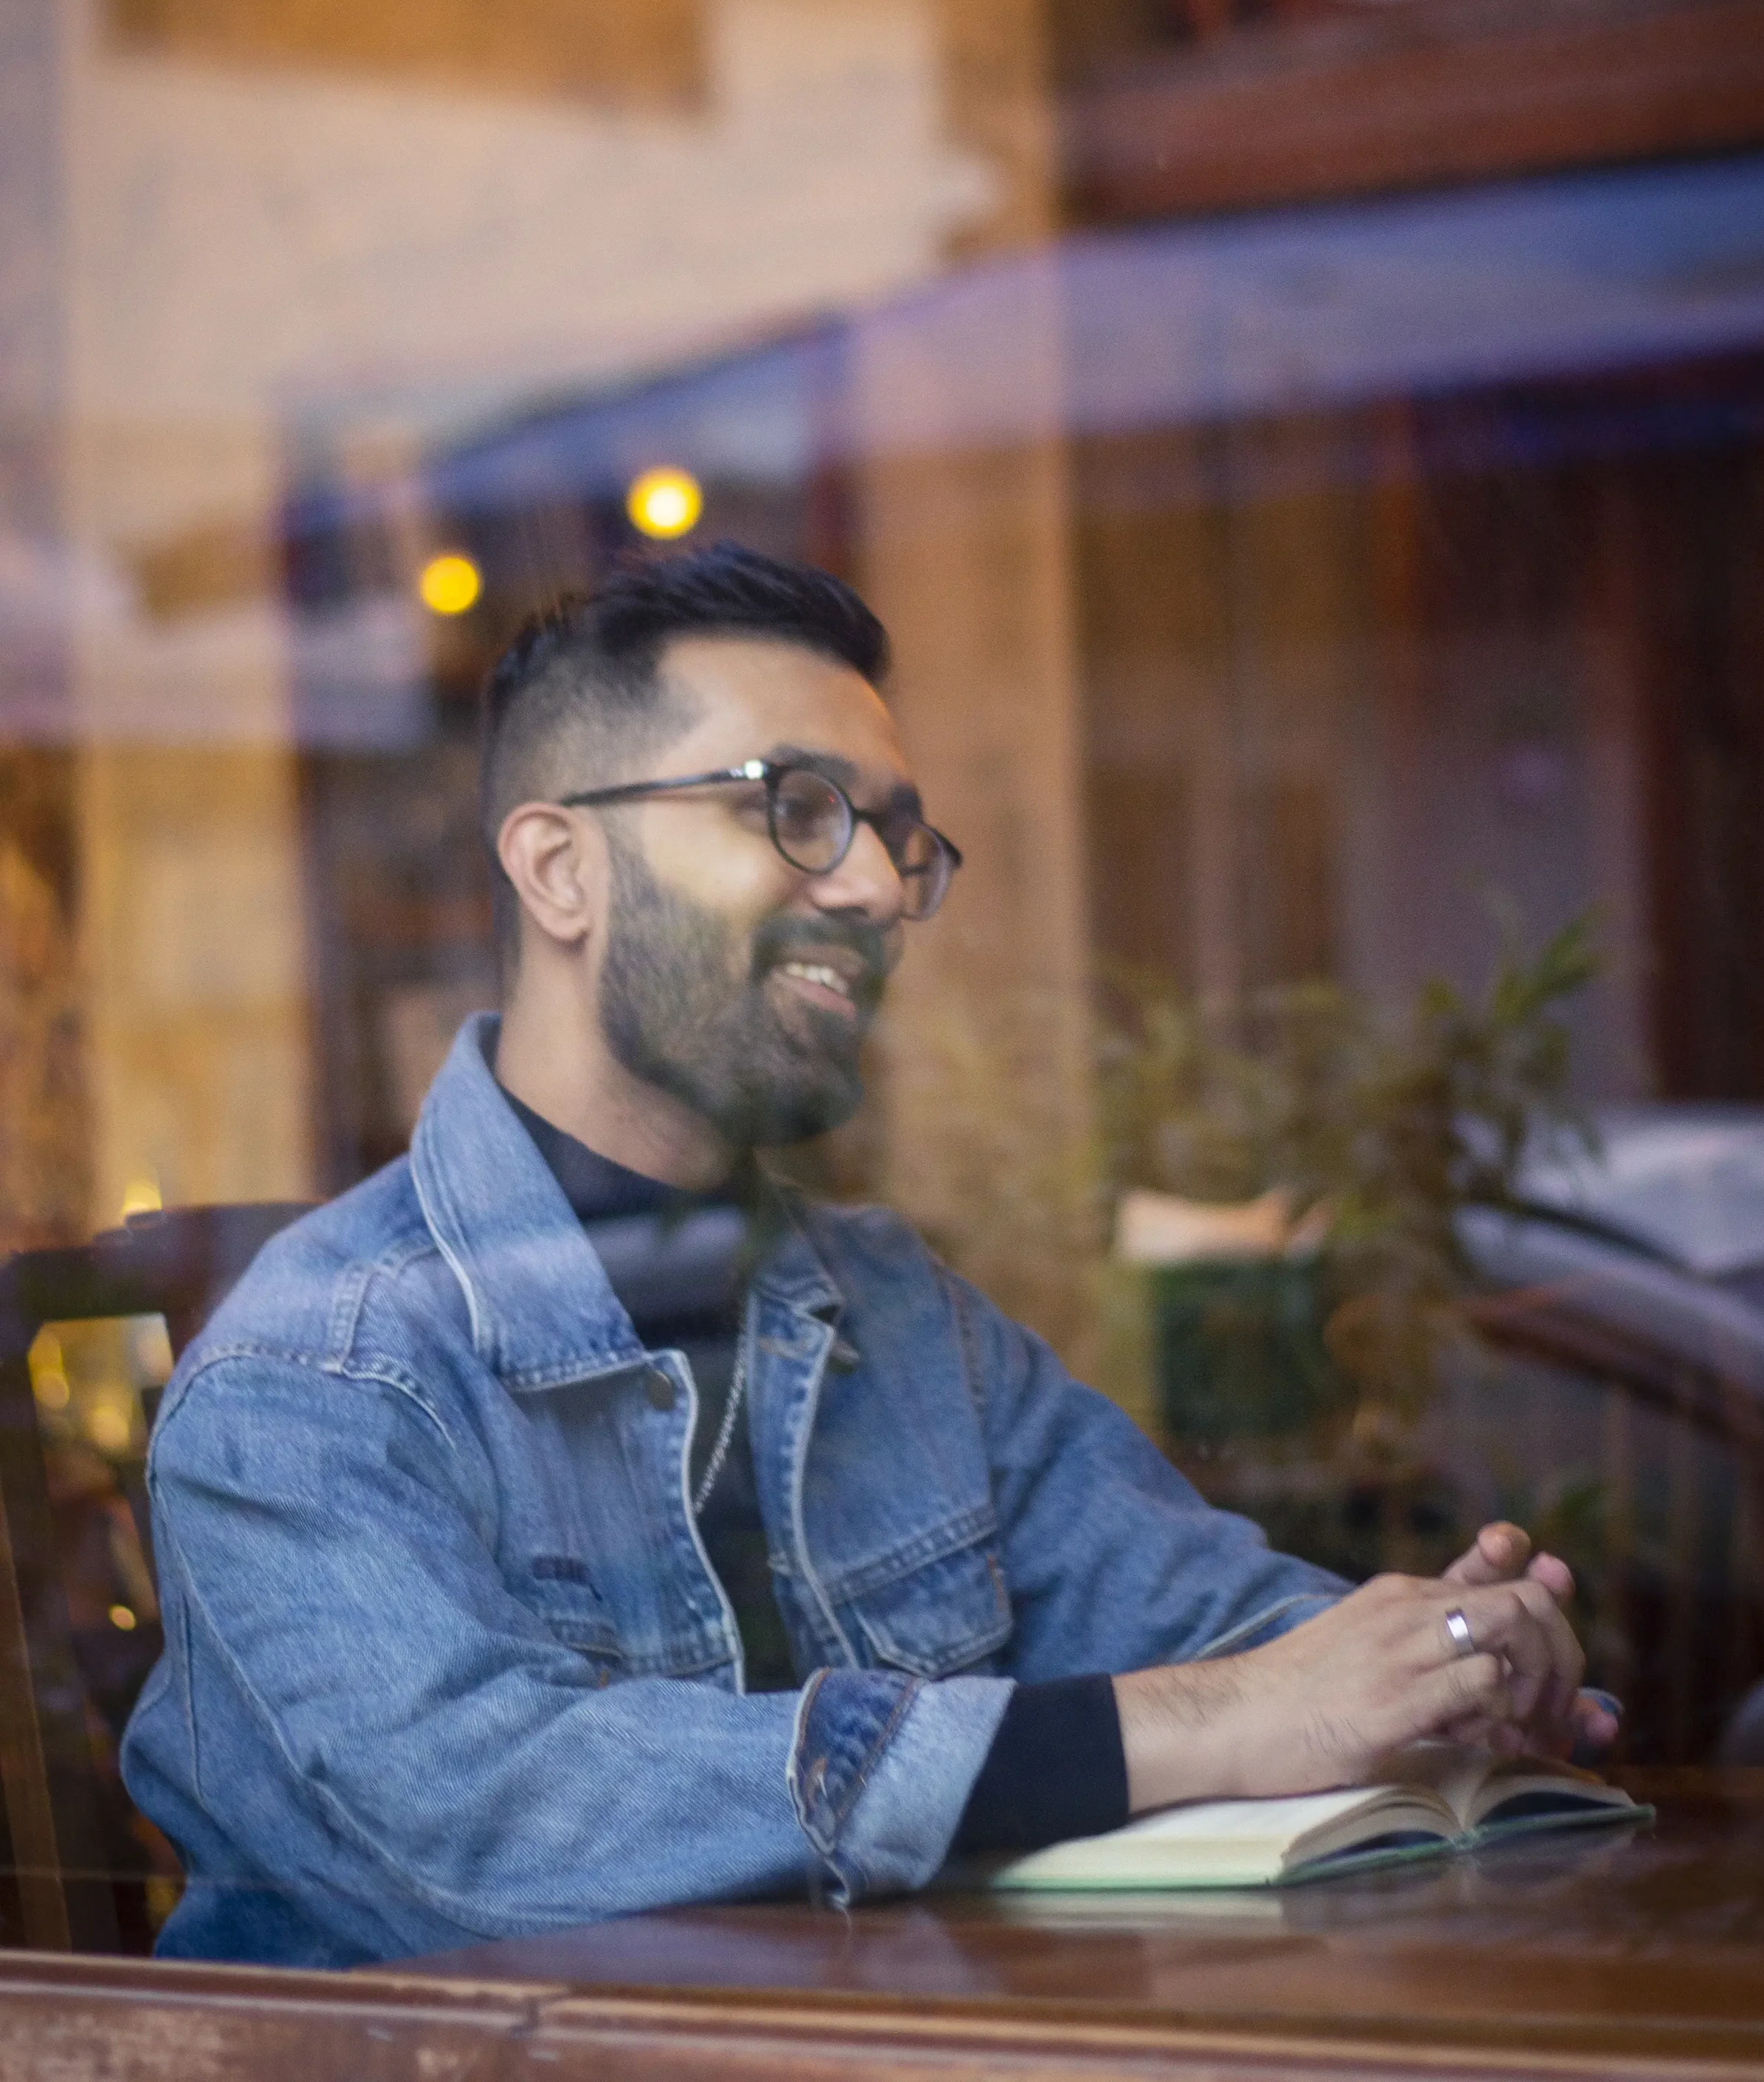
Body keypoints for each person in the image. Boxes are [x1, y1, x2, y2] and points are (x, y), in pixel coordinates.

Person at [122, 543, 1614, 1966]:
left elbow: (1200, 1621)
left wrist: (1445, 1658)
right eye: (796, 809)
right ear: (558, 868)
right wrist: (1207, 1719)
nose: (879, 891)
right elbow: (491, 1822)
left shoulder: (895, 1311)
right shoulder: (309, 1371)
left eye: (901, 841)